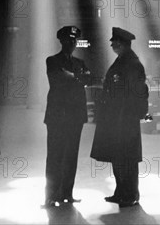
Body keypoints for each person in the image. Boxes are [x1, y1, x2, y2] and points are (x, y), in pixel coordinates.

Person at [91, 27, 149, 208]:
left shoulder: (132, 64)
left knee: (128, 159)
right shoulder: (122, 61)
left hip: (125, 119)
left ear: (124, 44)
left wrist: (134, 115)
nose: (112, 45)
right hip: (115, 118)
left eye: (115, 42)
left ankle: (131, 194)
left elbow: (139, 93)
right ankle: (121, 192)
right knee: (118, 157)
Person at [43, 26, 91, 208]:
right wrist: (79, 77)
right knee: (55, 156)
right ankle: (51, 195)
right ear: (61, 41)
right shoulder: (52, 61)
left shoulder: (79, 62)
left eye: (74, 41)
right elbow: (58, 80)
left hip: (75, 116)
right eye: (68, 40)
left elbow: (88, 79)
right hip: (58, 116)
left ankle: (67, 193)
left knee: (71, 156)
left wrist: (72, 77)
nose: (72, 43)